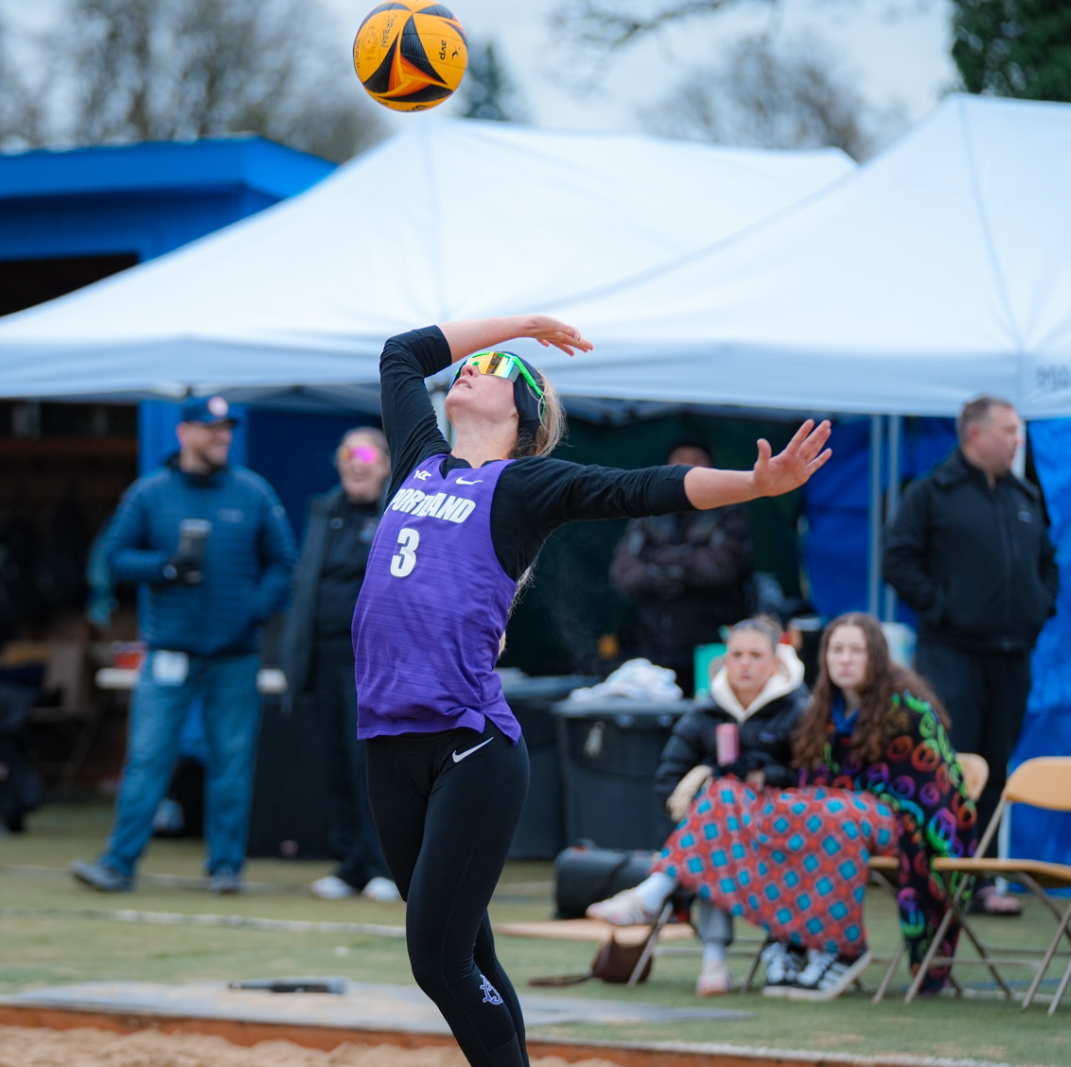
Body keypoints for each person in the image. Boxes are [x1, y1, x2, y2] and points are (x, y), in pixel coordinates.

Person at [355, 317, 830, 1066]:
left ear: (523, 412)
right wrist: (523, 326)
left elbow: (640, 488)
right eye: (472, 363)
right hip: (388, 742)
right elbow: (402, 354)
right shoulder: (420, 459)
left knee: (437, 961)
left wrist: (754, 484)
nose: (471, 368)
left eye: (495, 367)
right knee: (465, 956)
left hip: (469, 748)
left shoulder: (523, 486)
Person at [592, 613, 977, 1002]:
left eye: (856, 651)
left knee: (829, 815)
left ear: (876, 656)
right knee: (738, 798)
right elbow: (808, 780)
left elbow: (933, 791)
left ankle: (839, 948)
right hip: (828, 813)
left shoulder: (907, 709)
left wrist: (785, 782)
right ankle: (773, 936)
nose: (845, 659)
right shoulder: (821, 709)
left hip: (904, 823)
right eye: (836, 650)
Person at [72, 395, 297, 896]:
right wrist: (165, 567)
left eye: (227, 429)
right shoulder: (150, 493)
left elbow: (284, 562)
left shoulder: (253, 492)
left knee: (231, 766)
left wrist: (253, 609)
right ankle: (118, 865)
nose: (222, 437)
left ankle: (225, 869)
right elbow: (115, 557)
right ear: (184, 433)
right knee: (148, 759)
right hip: (169, 651)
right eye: (211, 428)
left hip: (235, 655)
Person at [881, 395, 1056, 916]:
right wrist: (943, 609)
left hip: (1012, 656)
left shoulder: (1025, 495)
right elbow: (897, 559)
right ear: (975, 434)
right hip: (951, 656)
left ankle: (981, 880)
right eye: (1008, 431)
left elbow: (1048, 564)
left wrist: (1038, 607)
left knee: (996, 769)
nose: (1017, 440)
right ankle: (940, 875)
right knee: (951, 765)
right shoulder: (931, 493)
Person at [650, 615, 808, 995]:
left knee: (716, 829)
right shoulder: (703, 712)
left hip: (785, 838)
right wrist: (708, 786)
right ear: (724, 660)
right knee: (716, 829)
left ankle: (656, 896)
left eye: (756, 655)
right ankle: (714, 963)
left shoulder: (801, 710)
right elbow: (666, 783)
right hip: (716, 839)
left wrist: (765, 776)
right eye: (736, 655)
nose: (745, 664)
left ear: (776, 662)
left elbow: (816, 782)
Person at [285, 427, 401, 904]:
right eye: (348, 454)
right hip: (324, 657)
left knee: (368, 766)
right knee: (335, 764)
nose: (357, 463)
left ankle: (384, 866)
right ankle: (351, 864)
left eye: (367, 454)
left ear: (386, 464)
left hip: (373, 662)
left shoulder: (399, 510)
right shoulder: (323, 510)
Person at [611, 437, 755, 695]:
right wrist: (682, 567)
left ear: (712, 467)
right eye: (679, 459)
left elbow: (721, 566)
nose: (687, 467)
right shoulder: (647, 511)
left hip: (711, 645)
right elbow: (623, 573)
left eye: (696, 460)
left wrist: (659, 559)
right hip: (652, 643)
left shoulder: (729, 511)